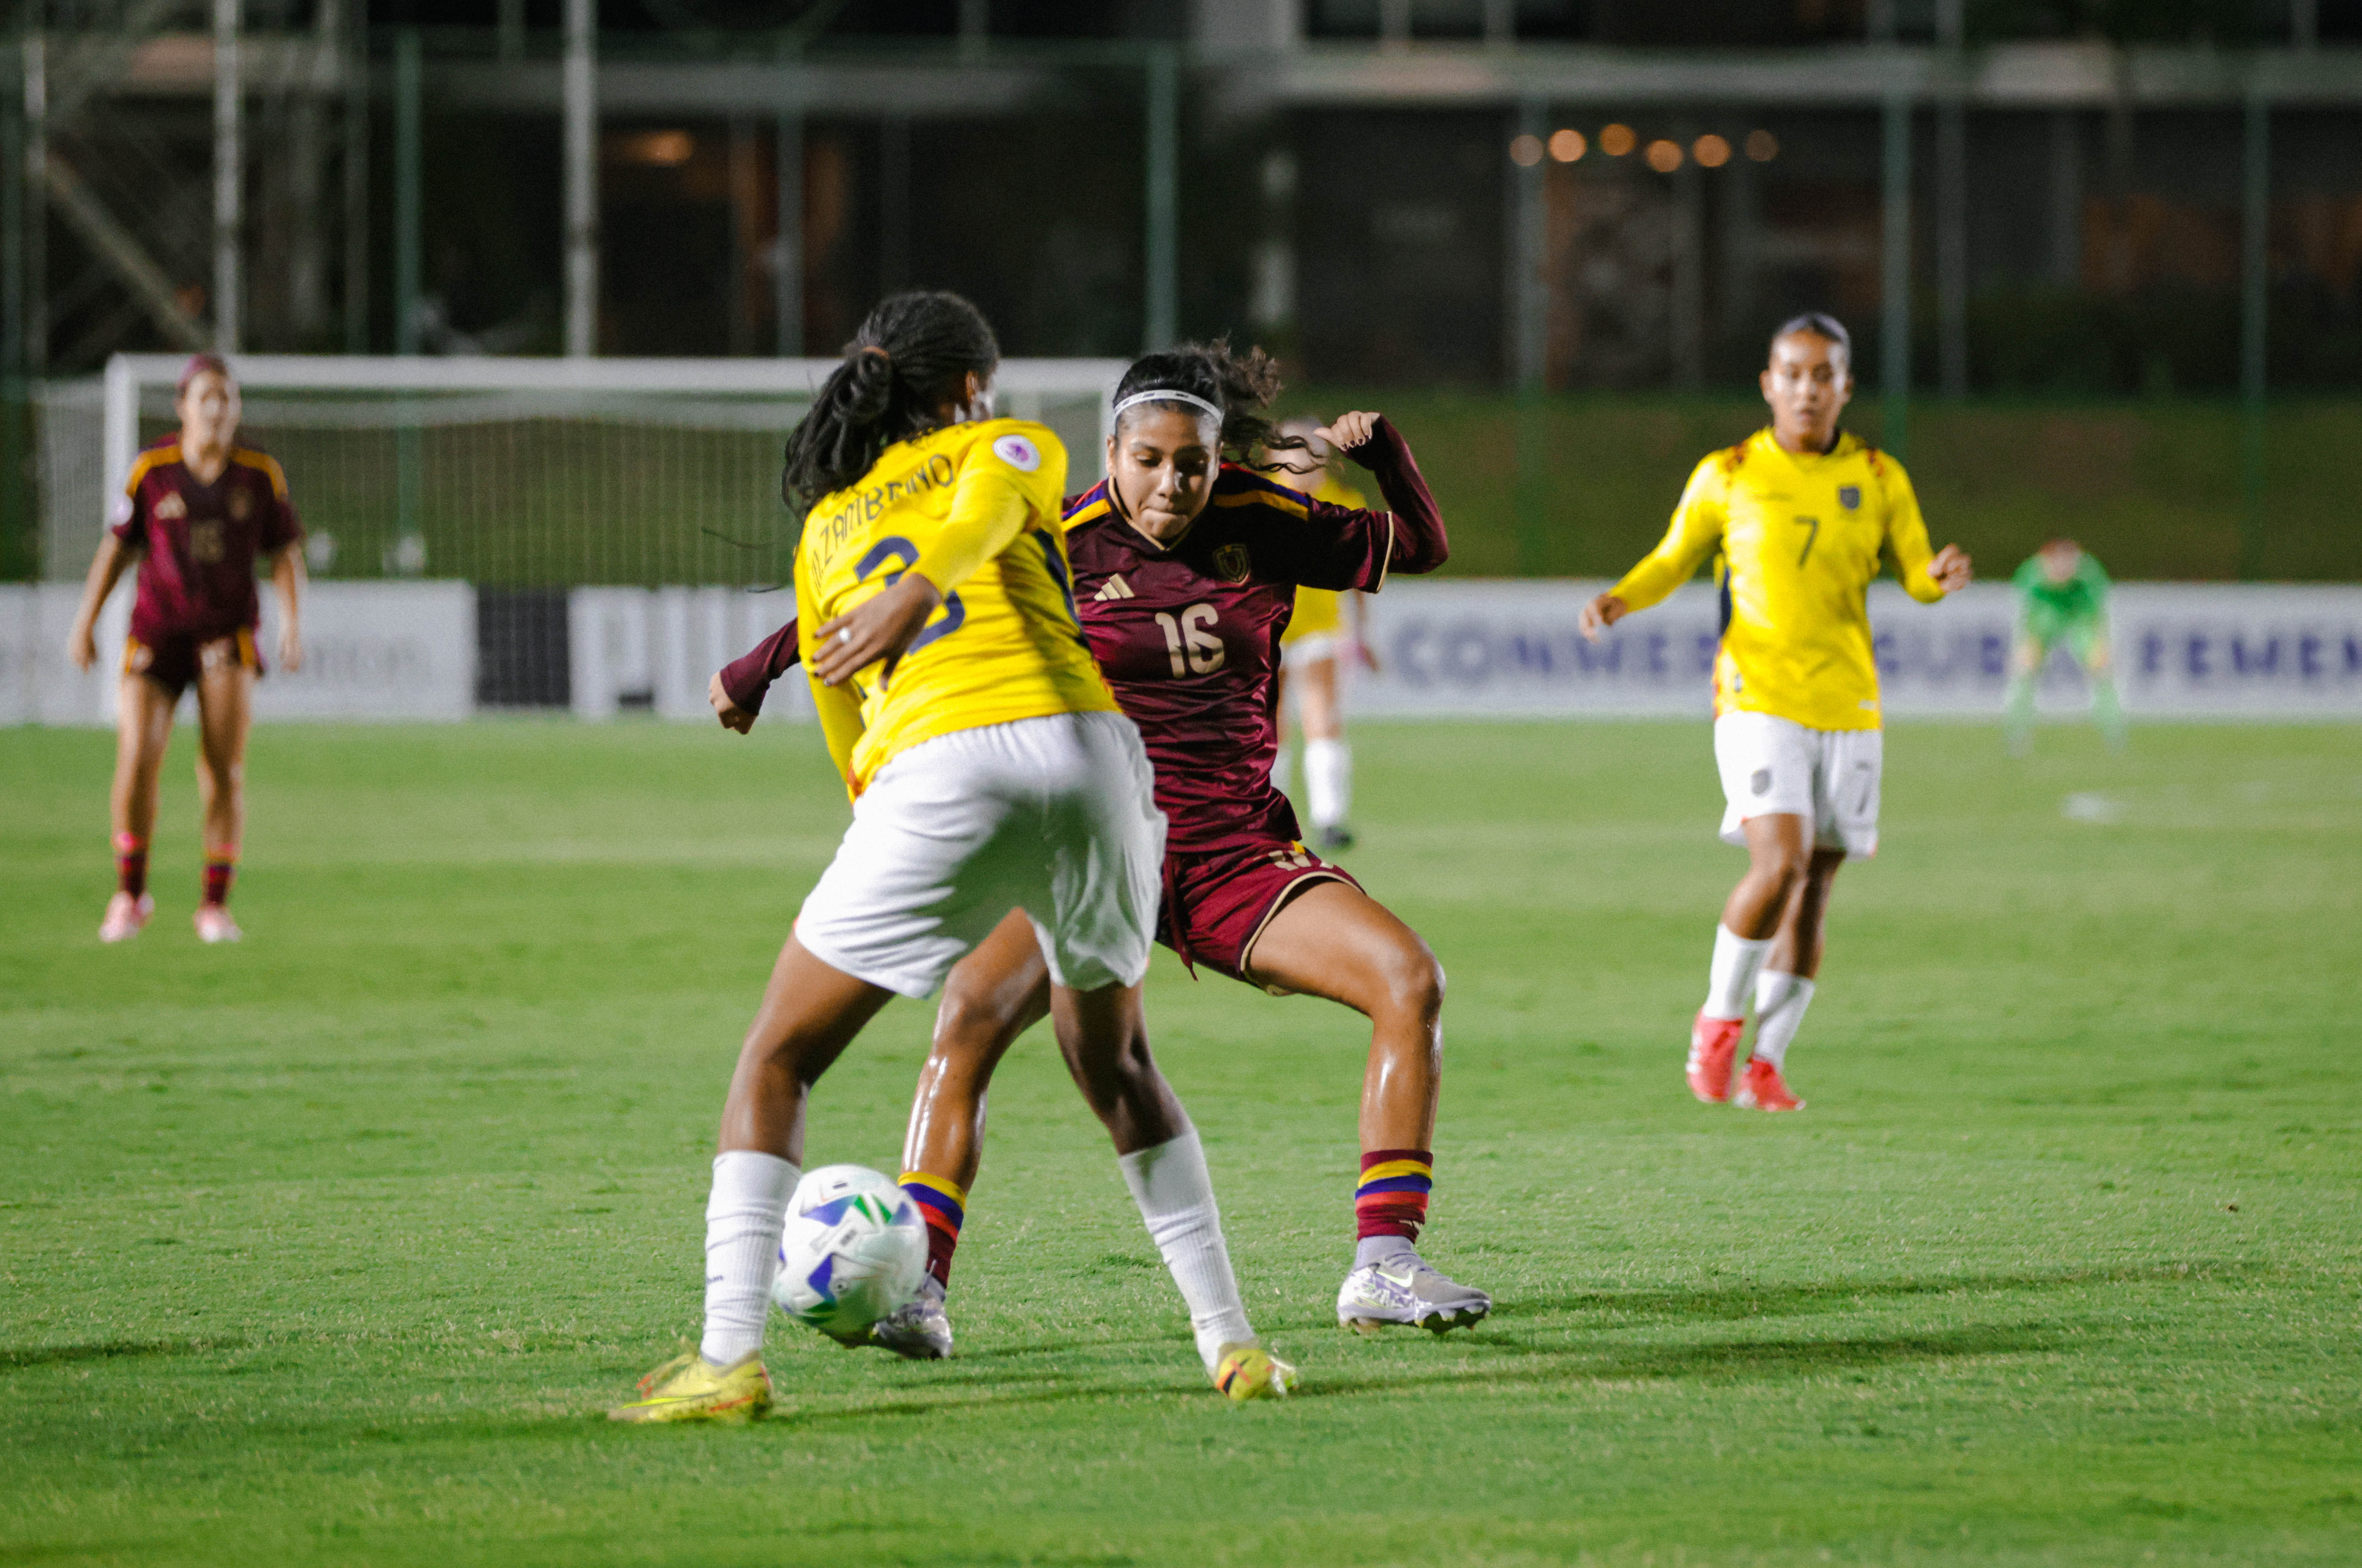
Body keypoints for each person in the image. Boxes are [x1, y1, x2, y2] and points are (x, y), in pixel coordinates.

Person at [712, 341, 1486, 1356]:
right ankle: (917, 1290)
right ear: (1111, 449)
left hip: (1229, 854)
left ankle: (1382, 1265)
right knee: (967, 1027)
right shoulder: (1055, 536)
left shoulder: (1264, 518)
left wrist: (1387, 454)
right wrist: (761, 665)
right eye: (1151, 460)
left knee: (1407, 979)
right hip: (1090, 839)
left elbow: (1418, 547)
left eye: (1193, 464)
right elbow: (899, 592)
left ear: (1218, 457)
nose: (1173, 484)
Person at [613, 293, 1294, 1424]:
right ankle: (1233, 1347)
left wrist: (906, 810)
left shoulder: (828, 529)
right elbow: (982, 511)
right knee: (1115, 1067)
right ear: (970, 389)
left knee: (778, 1058)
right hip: (1094, 764)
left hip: (938, 769)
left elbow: (845, 722)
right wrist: (927, 587)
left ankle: (728, 1358)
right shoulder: (1012, 443)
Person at [1579, 314, 1971, 1113]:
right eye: (1791, 373)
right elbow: (1673, 557)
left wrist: (1936, 575)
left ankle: (1767, 1061)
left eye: (1822, 374)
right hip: (1755, 693)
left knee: (1817, 884)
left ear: (1845, 387)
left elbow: (1914, 572)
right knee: (1780, 861)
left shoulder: (1879, 474)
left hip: (1849, 700)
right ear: (1767, 383)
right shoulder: (1727, 472)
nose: (1806, 388)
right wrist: (1622, 597)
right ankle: (1718, 1021)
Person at [67, 352, 305, 946]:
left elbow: (284, 553)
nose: (219, 408)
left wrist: (292, 623)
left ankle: (214, 906)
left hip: (228, 634)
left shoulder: (259, 474)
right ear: (183, 406)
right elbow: (118, 549)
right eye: (207, 397)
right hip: (157, 631)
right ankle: (130, 894)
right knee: (138, 757)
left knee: (223, 768)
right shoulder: (153, 470)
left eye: (228, 398)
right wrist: (86, 620)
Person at [1268, 416, 1375, 852]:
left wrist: (1362, 632)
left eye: (1313, 448)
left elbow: (1358, 574)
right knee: (1267, 729)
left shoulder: (1344, 502)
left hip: (1317, 627)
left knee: (1321, 719)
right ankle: (1268, 818)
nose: (1305, 456)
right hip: (1267, 627)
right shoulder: (1258, 499)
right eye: (1296, 448)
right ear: (1276, 455)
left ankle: (1328, 818)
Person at [2004, 537, 2124, 754]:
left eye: (2068, 562)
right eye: (2057, 562)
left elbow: (2097, 614)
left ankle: (2114, 735)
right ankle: (2017, 735)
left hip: (2080, 618)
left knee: (2102, 669)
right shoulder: (2032, 574)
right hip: (2046, 616)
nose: (2063, 568)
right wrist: (2027, 645)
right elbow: (2029, 614)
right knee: (2025, 669)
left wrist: (2101, 645)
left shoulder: (2090, 574)